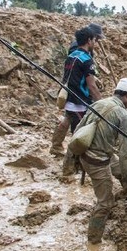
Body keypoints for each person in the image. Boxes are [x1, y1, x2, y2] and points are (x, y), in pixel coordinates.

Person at [77, 78, 127, 244]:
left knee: (117, 164)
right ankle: (94, 240)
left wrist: (72, 159)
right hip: (97, 159)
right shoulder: (123, 115)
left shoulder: (99, 103)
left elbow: (78, 129)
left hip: (90, 152)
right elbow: (126, 153)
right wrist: (125, 177)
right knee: (105, 202)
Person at [50, 26, 102, 157]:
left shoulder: (71, 55)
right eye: (95, 40)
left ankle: (56, 146)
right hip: (80, 100)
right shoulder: (86, 59)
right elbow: (91, 86)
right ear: (89, 40)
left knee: (68, 119)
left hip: (69, 96)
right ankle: (71, 163)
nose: (95, 43)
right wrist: (102, 104)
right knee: (79, 133)